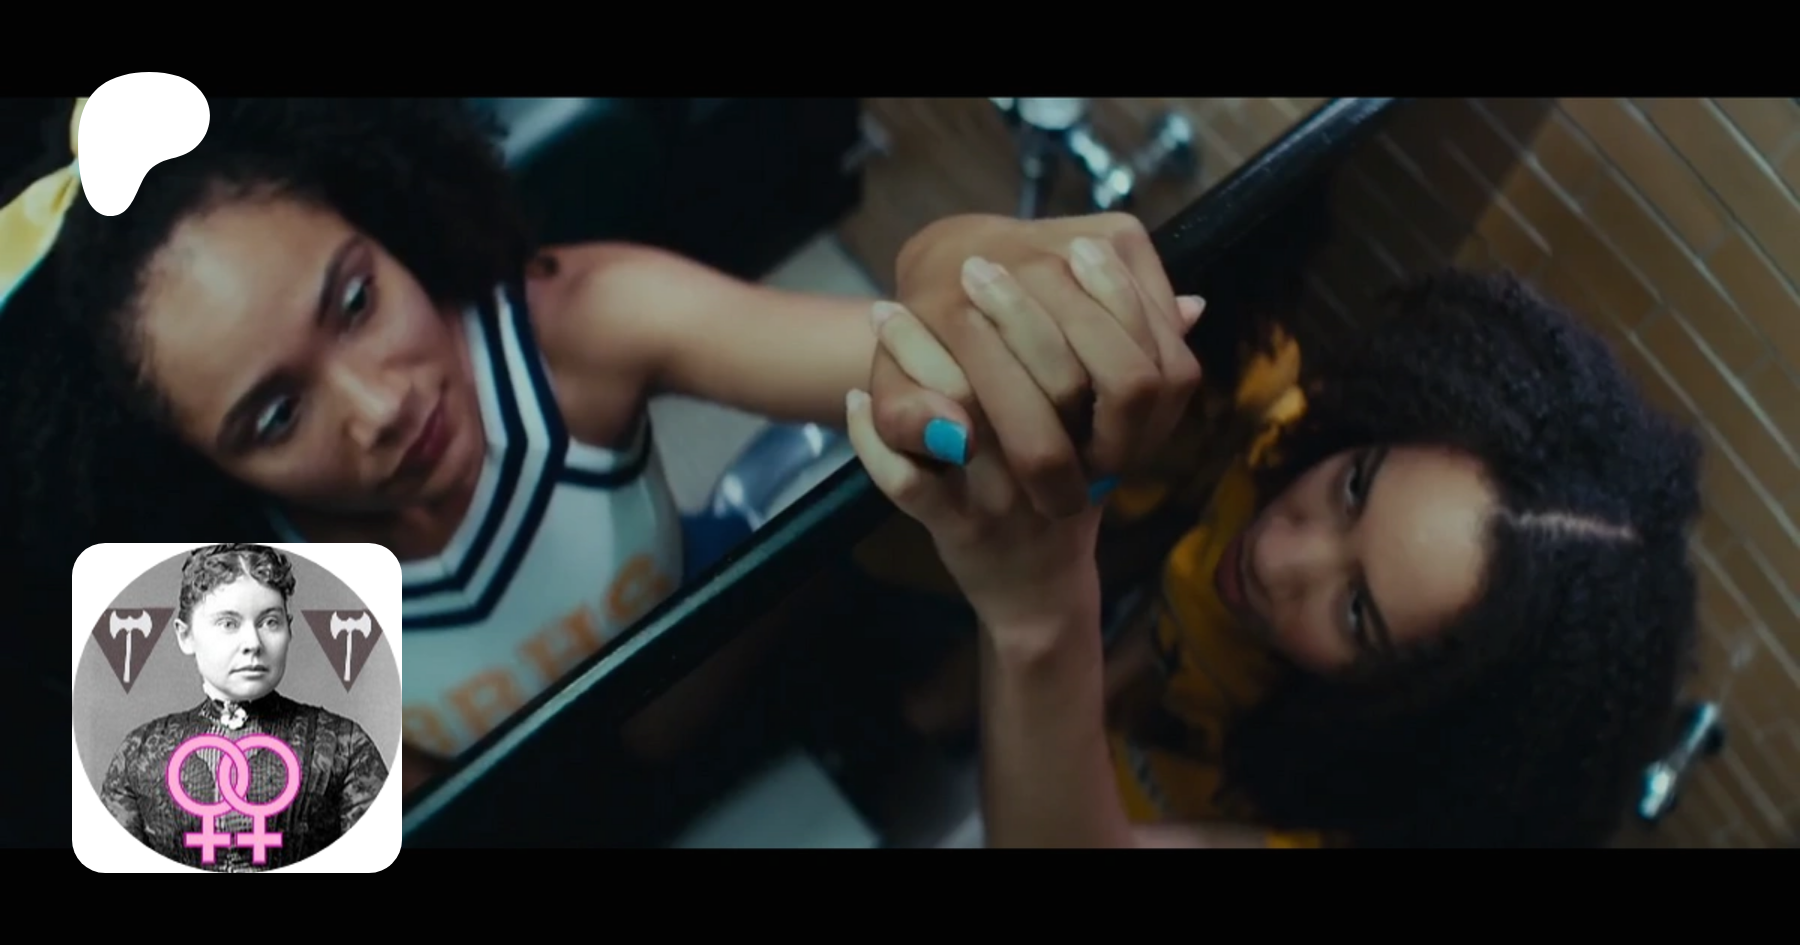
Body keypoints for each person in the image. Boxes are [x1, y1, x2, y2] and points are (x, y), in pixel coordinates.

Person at [0, 98, 1191, 800]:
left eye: (357, 301)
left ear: (381, 219)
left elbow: (888, 360)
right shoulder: (226, 607)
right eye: (275, 416)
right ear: (199, 473)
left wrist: (951, 277)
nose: (377, 408)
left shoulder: (574, 326)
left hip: (734, 658)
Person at [850, 259, 1702, 848]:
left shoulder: (1349, 822)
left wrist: (1036, 618)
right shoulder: (1297, 439)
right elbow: (1179, 616)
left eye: (1356, 611)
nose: (1278, 555)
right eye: (1356, 487)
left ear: (1415, 714)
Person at [98, 543, 388, 871]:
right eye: (228, 623)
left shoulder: (344, 744)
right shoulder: (138, 752)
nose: (253, 643)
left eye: (270, 622)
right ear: (185, 636)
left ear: (289, 629)